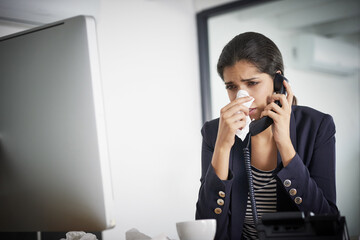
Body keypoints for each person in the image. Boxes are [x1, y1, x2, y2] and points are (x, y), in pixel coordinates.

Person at [195, 32, 338, 240]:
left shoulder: (317, 126)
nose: (241, 98)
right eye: (231, 86)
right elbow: (205, 229)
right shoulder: (213, 132)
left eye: (252, 83)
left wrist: (285, 146)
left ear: (278, 81)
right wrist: (223, 147)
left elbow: (328, 223)